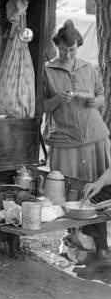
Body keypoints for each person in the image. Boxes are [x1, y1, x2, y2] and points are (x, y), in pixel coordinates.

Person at [43, 19, 111, 259]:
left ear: (78, 47)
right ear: (56, 46)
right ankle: (72, 238)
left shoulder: (89, 68)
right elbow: (40, 106)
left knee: (97, 190)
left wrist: (96, 101)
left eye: (72, 49)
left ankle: (101, 244)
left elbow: (102, 96)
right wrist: (57, 100)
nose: (68, 54)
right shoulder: (47, 71)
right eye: (63, 49)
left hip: (94, 136)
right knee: (69, 192)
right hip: (65, 139)